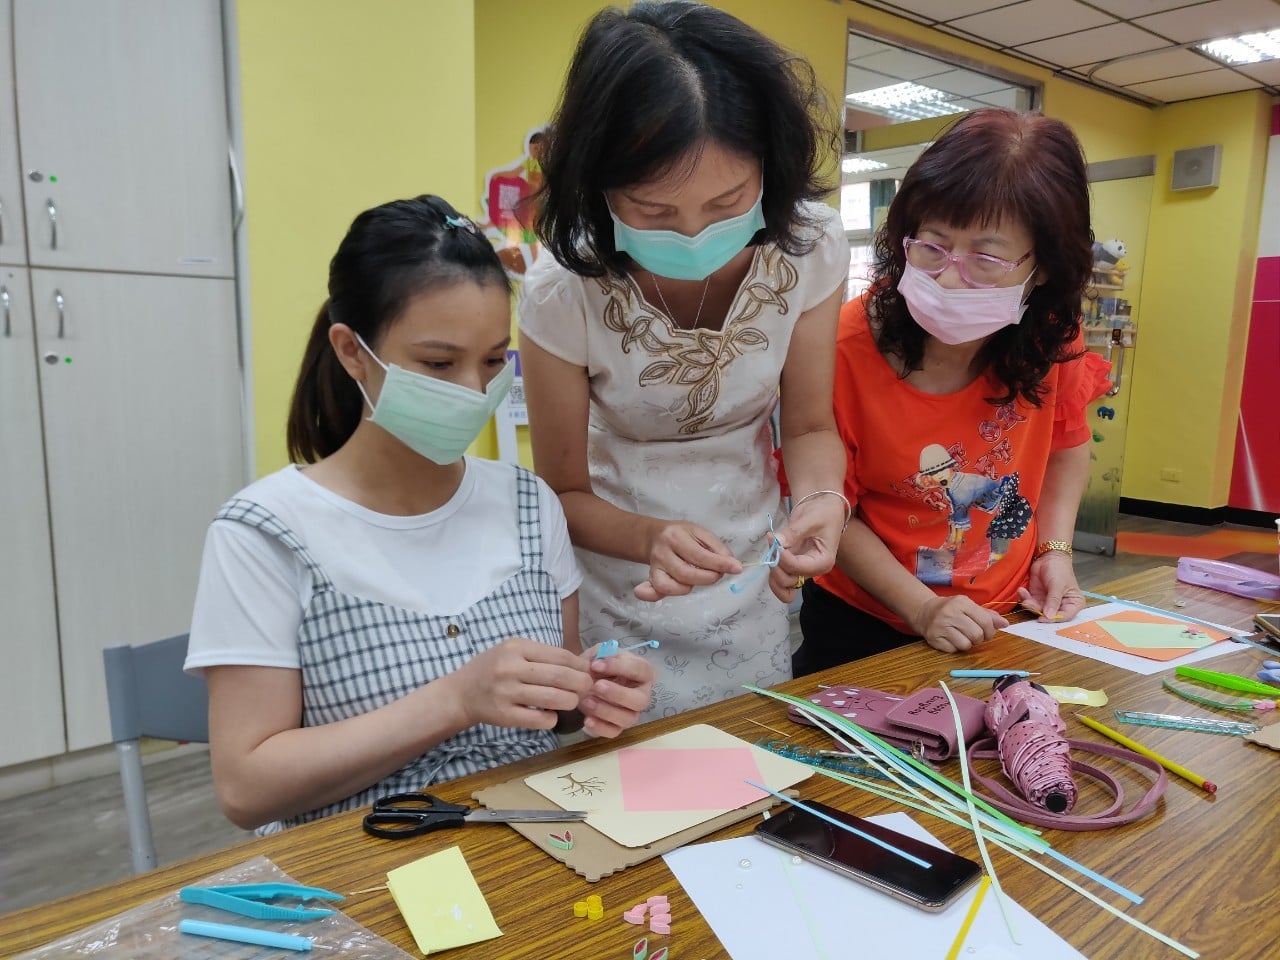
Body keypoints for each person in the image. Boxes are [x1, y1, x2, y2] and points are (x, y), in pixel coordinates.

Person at [185, 195, 653, 831]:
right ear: (353, 352)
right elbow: (246, 788)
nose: (472, 392)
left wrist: (590, 694)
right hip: (360, 871)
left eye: (492, 362)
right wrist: (456, 699)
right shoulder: (265, 533)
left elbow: (561, 712)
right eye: (437, 363)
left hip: (531, 847)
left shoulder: (528, 504)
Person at [519, 1, 851, 720]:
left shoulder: (810, 247)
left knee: (754, 772)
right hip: (624, 583)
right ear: (597, 185)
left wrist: (823, 501)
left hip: (754, 572)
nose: (697, 234)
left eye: (729, 200)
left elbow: (810, 425)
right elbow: (563, 492)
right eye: (653, 211)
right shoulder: (561, 291)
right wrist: (651, 539)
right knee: (629, 793)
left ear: (772, 164)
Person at [792, 108, 1112, 676]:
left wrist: (1055, 553)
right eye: (932, 246)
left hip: (1005, 614)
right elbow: (834, 507)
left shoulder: (1050, 336)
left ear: (1042, 269)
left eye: (987, 259)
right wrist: (923, 608)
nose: (948, 276)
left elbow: (1066, 446)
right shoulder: (843, 347)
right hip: (865, 620)